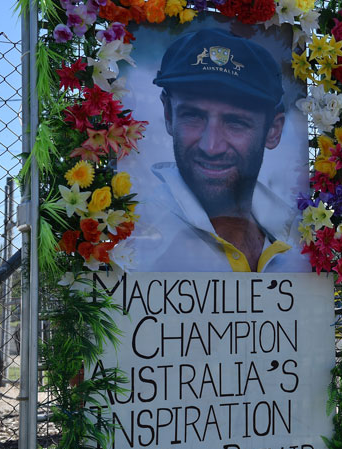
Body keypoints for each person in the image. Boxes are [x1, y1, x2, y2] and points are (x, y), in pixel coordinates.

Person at [132, 27, 310, 273]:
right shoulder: (134, 244)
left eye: (235, 122)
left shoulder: (303, 239)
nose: (211, 146)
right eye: (193, 116)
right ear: (168, 115)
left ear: (273, 130)